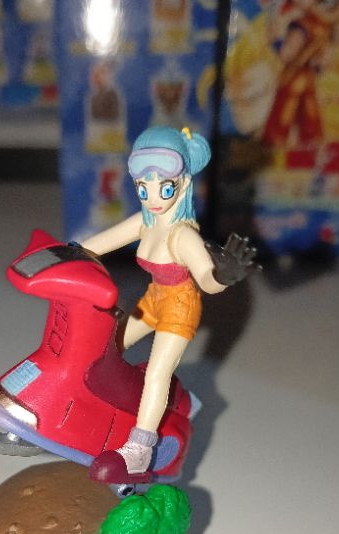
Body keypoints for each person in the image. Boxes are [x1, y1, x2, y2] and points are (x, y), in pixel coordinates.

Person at [81, 125, 254, 483]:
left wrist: (223, 276)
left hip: (180, 307)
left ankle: (140, 449)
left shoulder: (182, 235)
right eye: (144, 188)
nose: (153, 197)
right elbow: (99, 243)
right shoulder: (146, 221)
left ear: (184, 183)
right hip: (153, 300)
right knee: (107, 344)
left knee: (157, 373)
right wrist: (66, 253)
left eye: (165, 187)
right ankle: (93, 402)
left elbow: (206, 279)